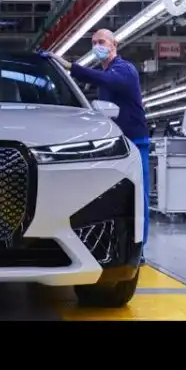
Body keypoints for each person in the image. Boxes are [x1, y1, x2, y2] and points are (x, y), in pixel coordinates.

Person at [47, 28, 149, 264]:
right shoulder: (106, 73)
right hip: (113, 142)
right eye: (93, 42)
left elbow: (107, 80)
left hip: (135, 141)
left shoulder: (124, 69)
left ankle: (140, 248)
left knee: (138, 196)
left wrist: (70, 66)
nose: (97, 46)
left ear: (114, 44)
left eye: (101, 41)